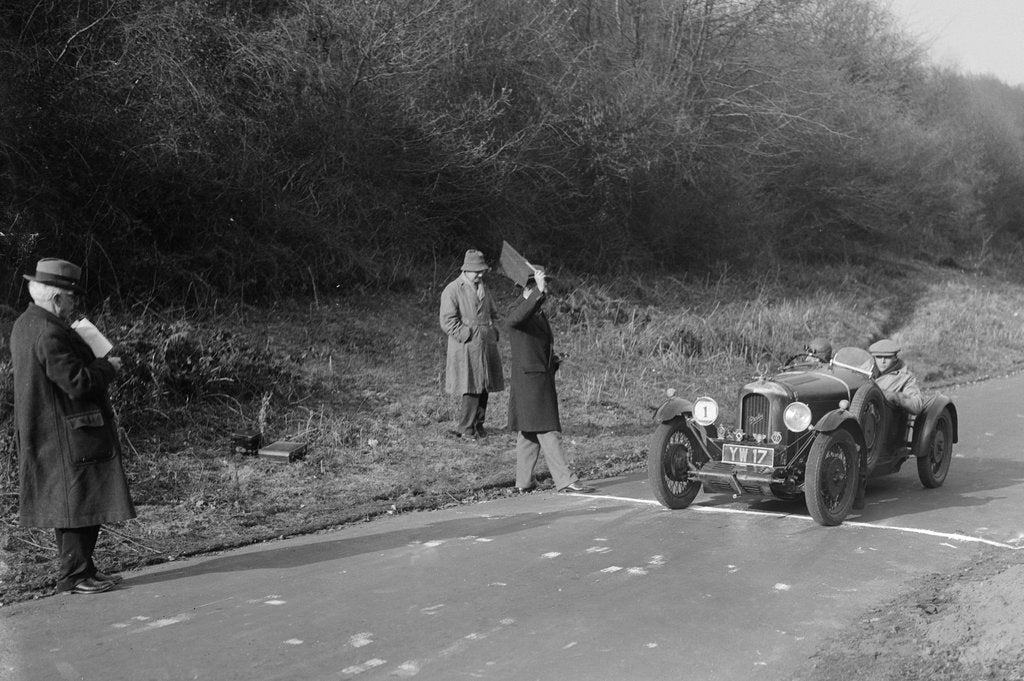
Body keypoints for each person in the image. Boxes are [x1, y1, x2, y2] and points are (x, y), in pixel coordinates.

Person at [10, 258, 135, 594]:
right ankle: (76, 576)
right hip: (68, 431)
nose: (76, 303)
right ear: (57, 298)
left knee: (71, 504)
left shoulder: (26, 323)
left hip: (49, 429)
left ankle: (82, 570)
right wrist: (108, 368)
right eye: (72, 296)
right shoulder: (50, 331)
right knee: (82, 503)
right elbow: (77, 383)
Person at [507, 266, 595, 494]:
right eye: (540, 285)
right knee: (547, 430)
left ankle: (523, 482)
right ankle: (566, 479)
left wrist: (552, 360)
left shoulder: (537, 312)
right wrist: (540, 291)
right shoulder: (518, 309)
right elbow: (516, 320)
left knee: (528, 432)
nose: (545, 290)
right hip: (530, 382)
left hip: (538, 378)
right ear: (530, 288)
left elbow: (534, 344)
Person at [439, 249, 504, 439]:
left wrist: (493, 331)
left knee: (485, 385)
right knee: (470, 386)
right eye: (477, 271)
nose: (480, 274)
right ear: (466, 270)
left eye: (482, 271)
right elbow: (447, 321)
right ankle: (465, 428)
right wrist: (466, 335)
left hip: (486, 342)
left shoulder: (484, 287)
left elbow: (493, 312)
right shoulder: (453, 289)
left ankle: (478, 425)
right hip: (466, 345)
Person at [868, 338, 924, 414]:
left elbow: (917, 404)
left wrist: (896, 397)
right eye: (879, 357)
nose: (882, 361)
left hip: (883, 418)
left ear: (895, 358)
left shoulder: (906, 377)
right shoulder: (867, 368)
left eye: (887, 357)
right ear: (874, 357)